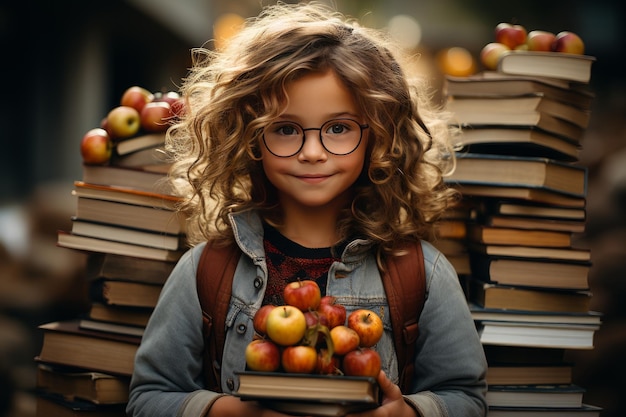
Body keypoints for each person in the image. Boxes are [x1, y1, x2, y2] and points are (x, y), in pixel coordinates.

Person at [127, 2, 487, 417]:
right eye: (284, 129)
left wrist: (407, 413)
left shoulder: (421, 274)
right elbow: (148, 398)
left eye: (338, 128)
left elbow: (466, 398)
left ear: (380, 137)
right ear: (248, 139)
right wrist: (235, 413)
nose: (312, 153)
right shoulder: (206, 271)